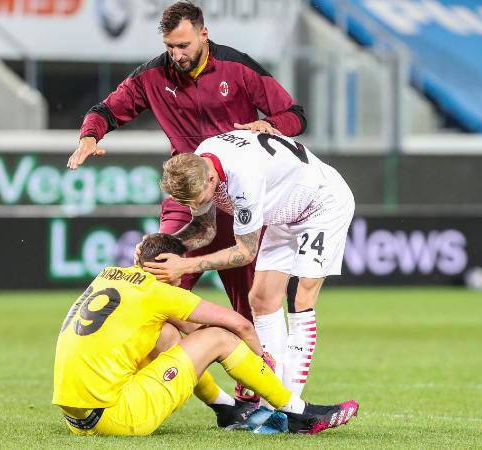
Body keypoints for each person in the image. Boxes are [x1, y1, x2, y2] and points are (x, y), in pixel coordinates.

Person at [66, 1, 307, 328]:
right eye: (169, 47)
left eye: (183, 45)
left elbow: (294, 115)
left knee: (252, 308)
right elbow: (104, 111)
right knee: (157, 284)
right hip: (188, 199)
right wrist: (89, 137)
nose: (176, 54)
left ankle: (251, 376)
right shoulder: (152, 76)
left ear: (203, 34)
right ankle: (177, 374)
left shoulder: (238, 68)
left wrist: (271, 126)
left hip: (239, 198)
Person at [52, 233, 358, 436]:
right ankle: (297, 412)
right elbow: (241, 326)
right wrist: (259, 359)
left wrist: (206, 349)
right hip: (118, 417)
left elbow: (186, 332)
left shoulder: (108, 275)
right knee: (220, 338)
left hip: (77, 420)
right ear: (174, 269)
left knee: (167, 334)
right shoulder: (159, 293)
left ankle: (225, 408)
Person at [149, 130, 355, 401]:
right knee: (261, 299)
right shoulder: (199, 163)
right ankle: (271, 400)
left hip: (322, 205)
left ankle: (289, 407)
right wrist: (164, 244)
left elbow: (246, 252)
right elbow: (205, 229)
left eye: (199, 200)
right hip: (283, 212)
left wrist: (185, 267)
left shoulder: (243, 178)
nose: (198, 206)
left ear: (211, 179)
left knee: (300, 298)